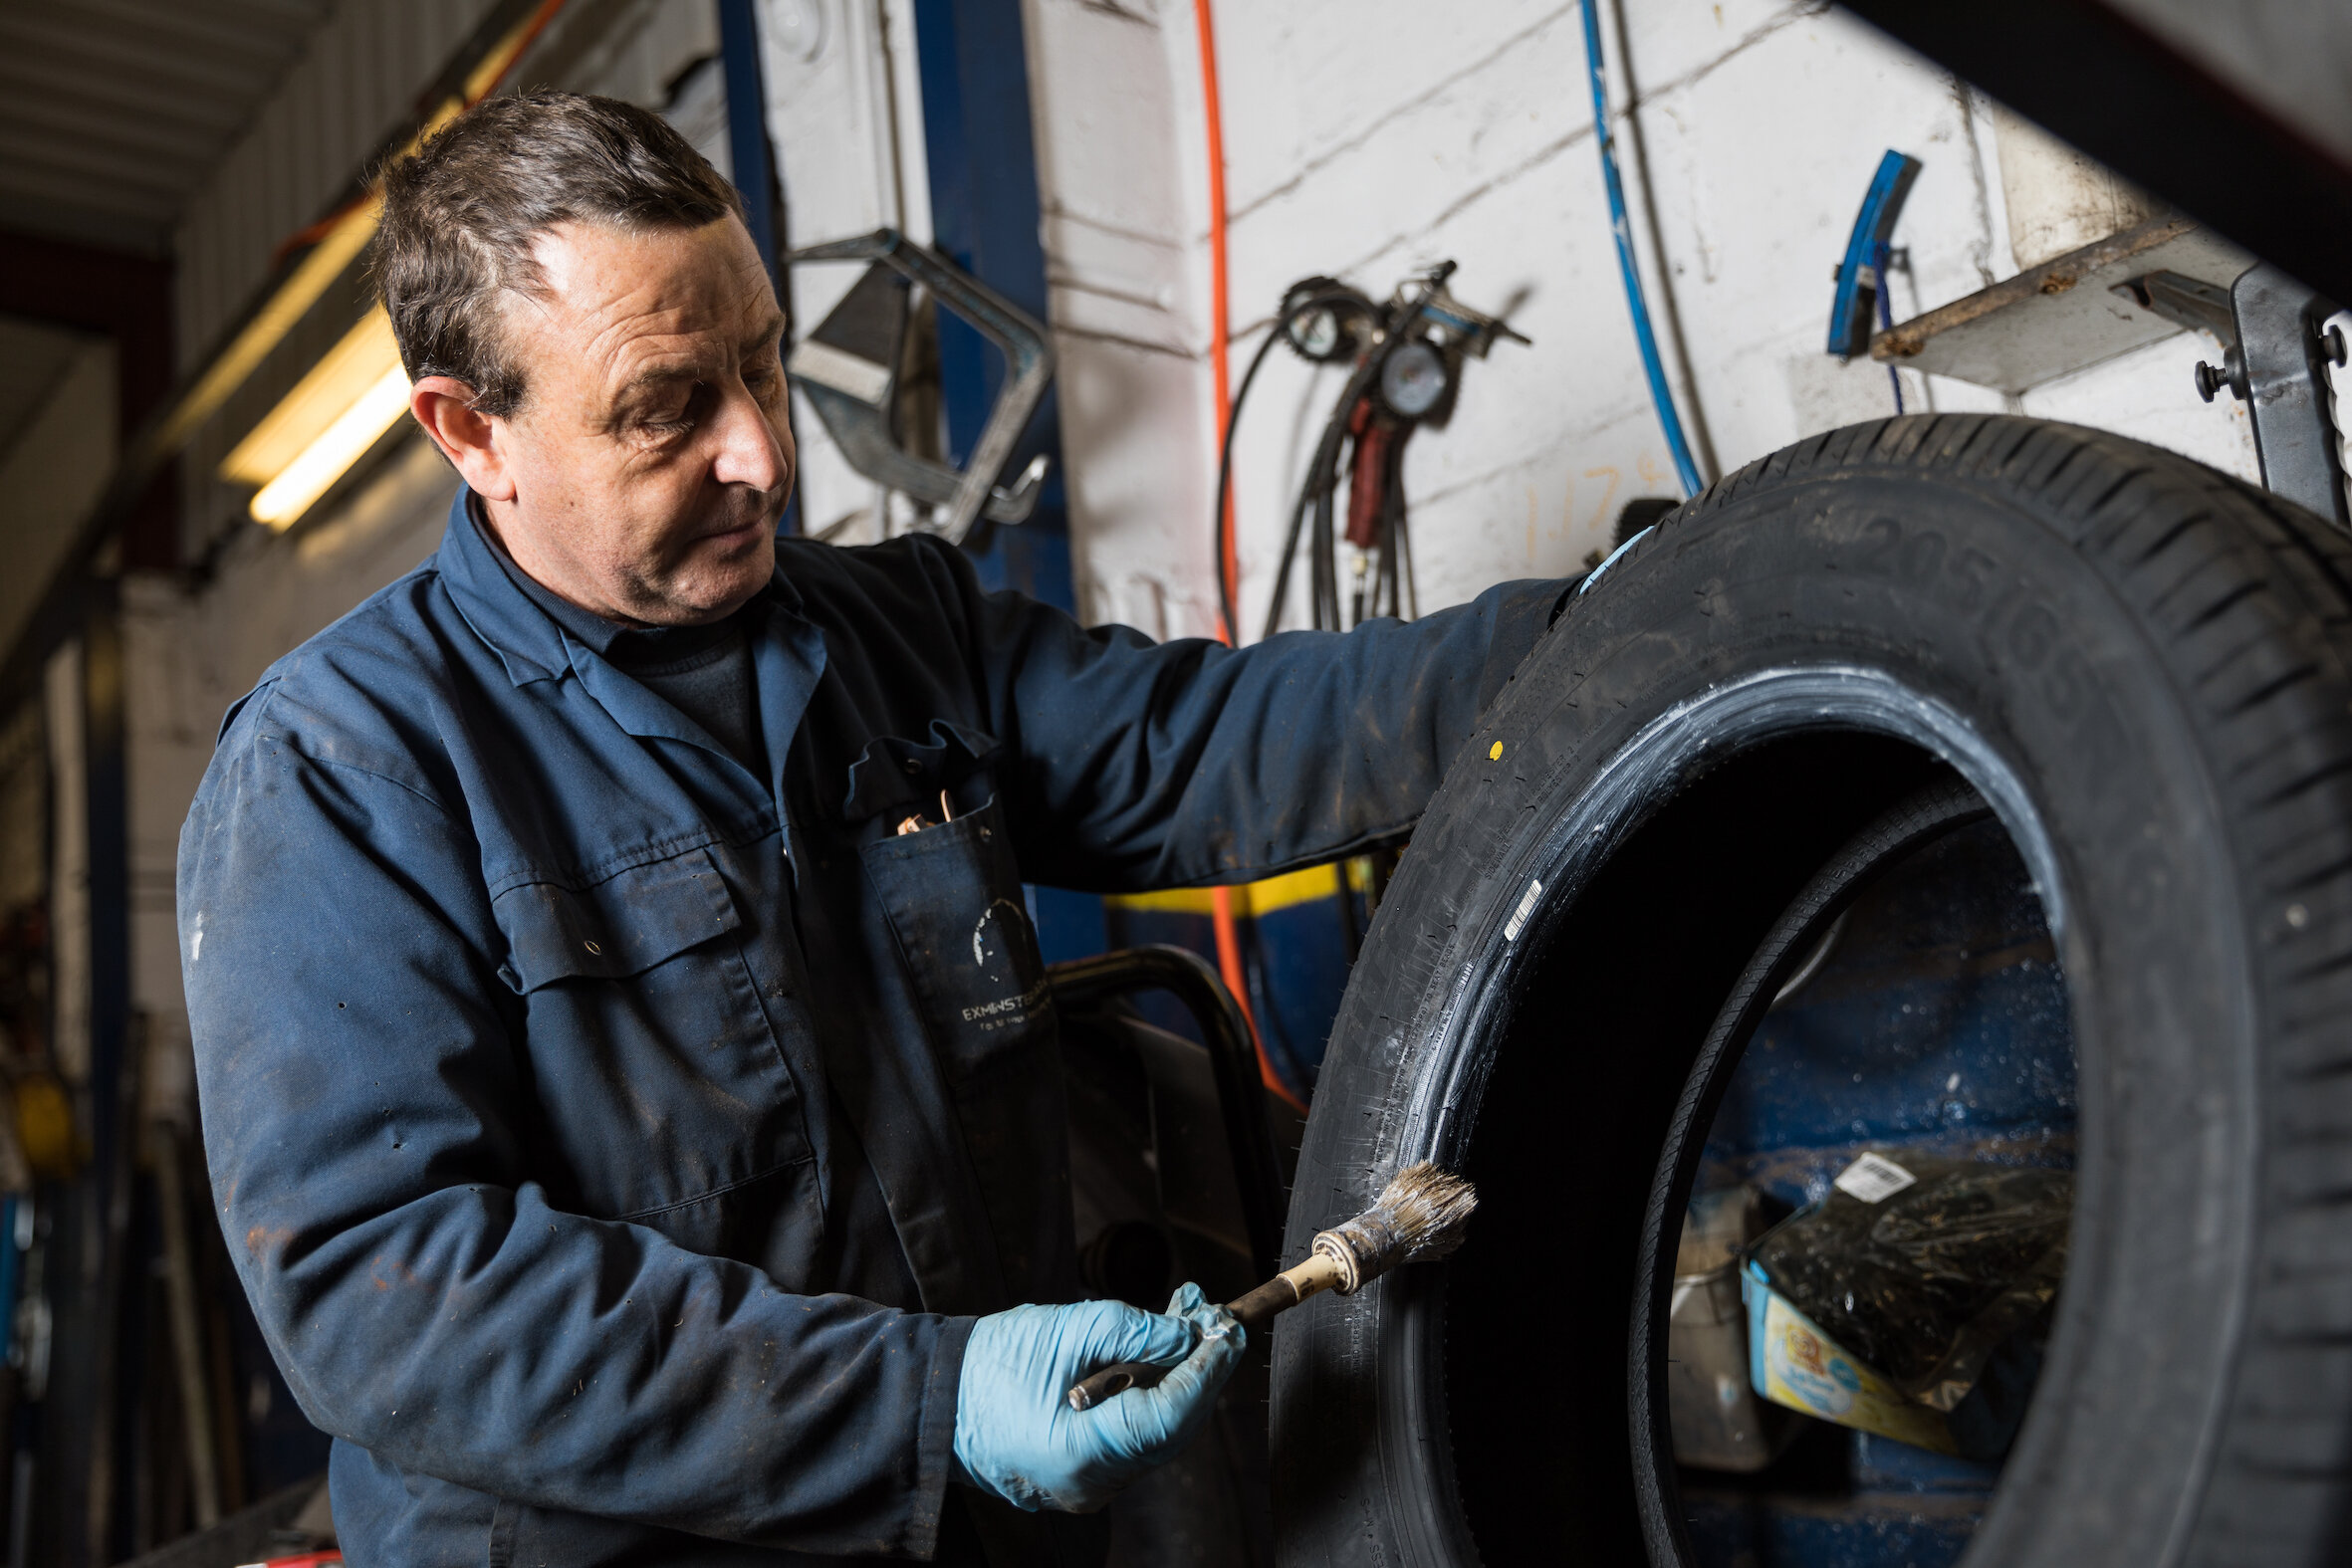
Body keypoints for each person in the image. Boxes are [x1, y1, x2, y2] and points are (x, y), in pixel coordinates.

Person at [179, 92, 1567, 1566]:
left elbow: (1203, 743)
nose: (763, 457)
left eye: (763, 366)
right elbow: (387, 1290)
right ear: (473, 434)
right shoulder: (345, 770)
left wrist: (1613, 631)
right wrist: (927, 1402)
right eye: (666, 409)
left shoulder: (898, 633)